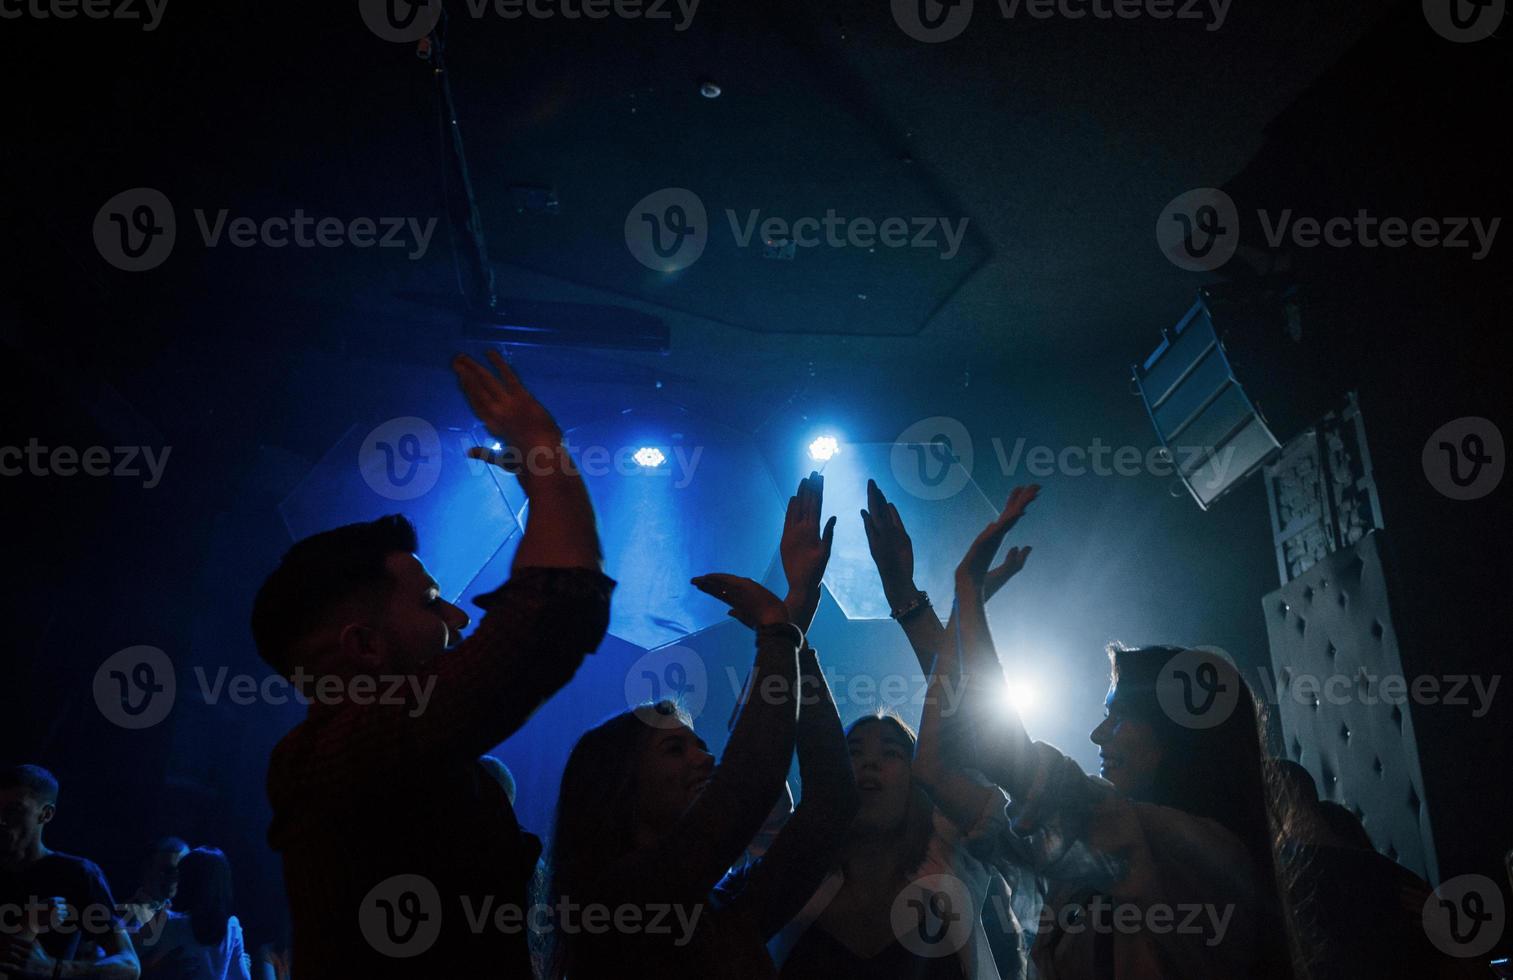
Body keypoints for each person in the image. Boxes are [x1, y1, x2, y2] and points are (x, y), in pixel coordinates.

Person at [255, 351, 613, 978]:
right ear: (363, 645)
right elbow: (544, 622)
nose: (458, 618)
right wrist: (541, 451)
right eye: (428, 601)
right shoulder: (335, 755)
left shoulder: (392, 758)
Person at [913, 485, 1298, 980]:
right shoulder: (1087, 861)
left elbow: (999, 753)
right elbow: (936, 765)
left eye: (1117, 717)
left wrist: (967, 590)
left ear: (1178, 734)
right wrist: (951, 601)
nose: (1097, 735)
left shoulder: (1202, 849)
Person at [543, 477, 858, 978]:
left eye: (698, 745)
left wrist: (794, 628)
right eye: (673, 750)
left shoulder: (717, 912)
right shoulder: (621, 900)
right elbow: (748, 785)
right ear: (618, 782)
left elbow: (833, 801)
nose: (705, 759)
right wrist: (777, 632)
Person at [0, 765, 141, 979]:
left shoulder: (76, 874)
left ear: (46, 814)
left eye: (15, 810)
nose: (1, 819)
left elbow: (129, 966)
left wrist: (53, 968)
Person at [136, 847, 250, 980]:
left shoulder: (165, 920)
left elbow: (127, 959)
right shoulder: (231, 926)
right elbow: (242, 977)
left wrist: (156, 971)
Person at [118, 838, 190, 940]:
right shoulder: (123, 916)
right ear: (147, 869)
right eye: (168, 871)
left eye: (182, 871)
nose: (176, 878)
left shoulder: (186, 913)